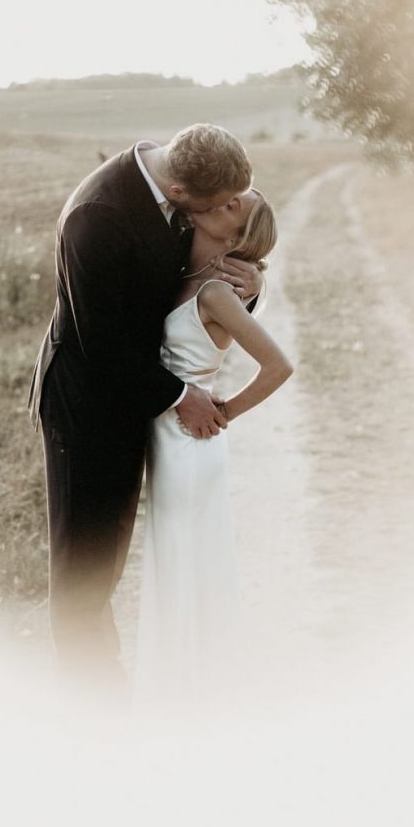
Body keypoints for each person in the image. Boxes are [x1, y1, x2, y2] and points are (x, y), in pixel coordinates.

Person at [28, 124, 263, 687]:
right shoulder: (97, 216)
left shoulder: (184, 178)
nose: (228, 211)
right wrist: (182, 395)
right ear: (181, 193)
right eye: (219, 206)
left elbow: (191, 288)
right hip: (88, 406)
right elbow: (100, 342)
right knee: (86, 559)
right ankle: (94, 698)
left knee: (121, 548)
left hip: (140, 393)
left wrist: (249, 285)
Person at [136, 190, 293, 706]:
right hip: (168, 440)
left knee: (185, 567)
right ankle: (183, 689)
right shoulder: (186, 269)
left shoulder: (216, 295)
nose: (221, 200)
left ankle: (190, 698)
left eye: (233, 207)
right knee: (176, 566)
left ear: (236, 236)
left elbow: (279, 367)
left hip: (189, 446)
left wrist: (225, 412)